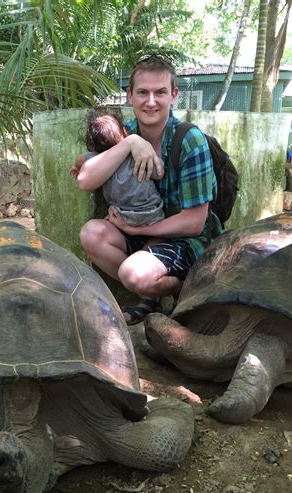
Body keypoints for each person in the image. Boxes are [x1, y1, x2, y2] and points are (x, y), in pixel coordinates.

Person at [75, 55, 220, 325]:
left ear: (173, 95)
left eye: (160, 92)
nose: (150, 101)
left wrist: (138, 231)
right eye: (142, 92)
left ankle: (182, 288)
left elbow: (194, 222)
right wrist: (130, 144)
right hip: (139, 231)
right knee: (91, 234)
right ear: (129, 95)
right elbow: (85, 180)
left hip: (184, 240)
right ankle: (149, 295)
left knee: (133, 274)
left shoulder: (190, 141)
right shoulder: (122, 132)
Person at [70, 109, 165, 227]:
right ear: (125, 132)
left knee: (103, 225)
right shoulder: (137, 155)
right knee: (158, 231)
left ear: (93, 145)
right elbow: (159, 172)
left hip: (121, 215)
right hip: (151, 213)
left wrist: (75, 167)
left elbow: (81, 159)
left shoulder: (98, 158)